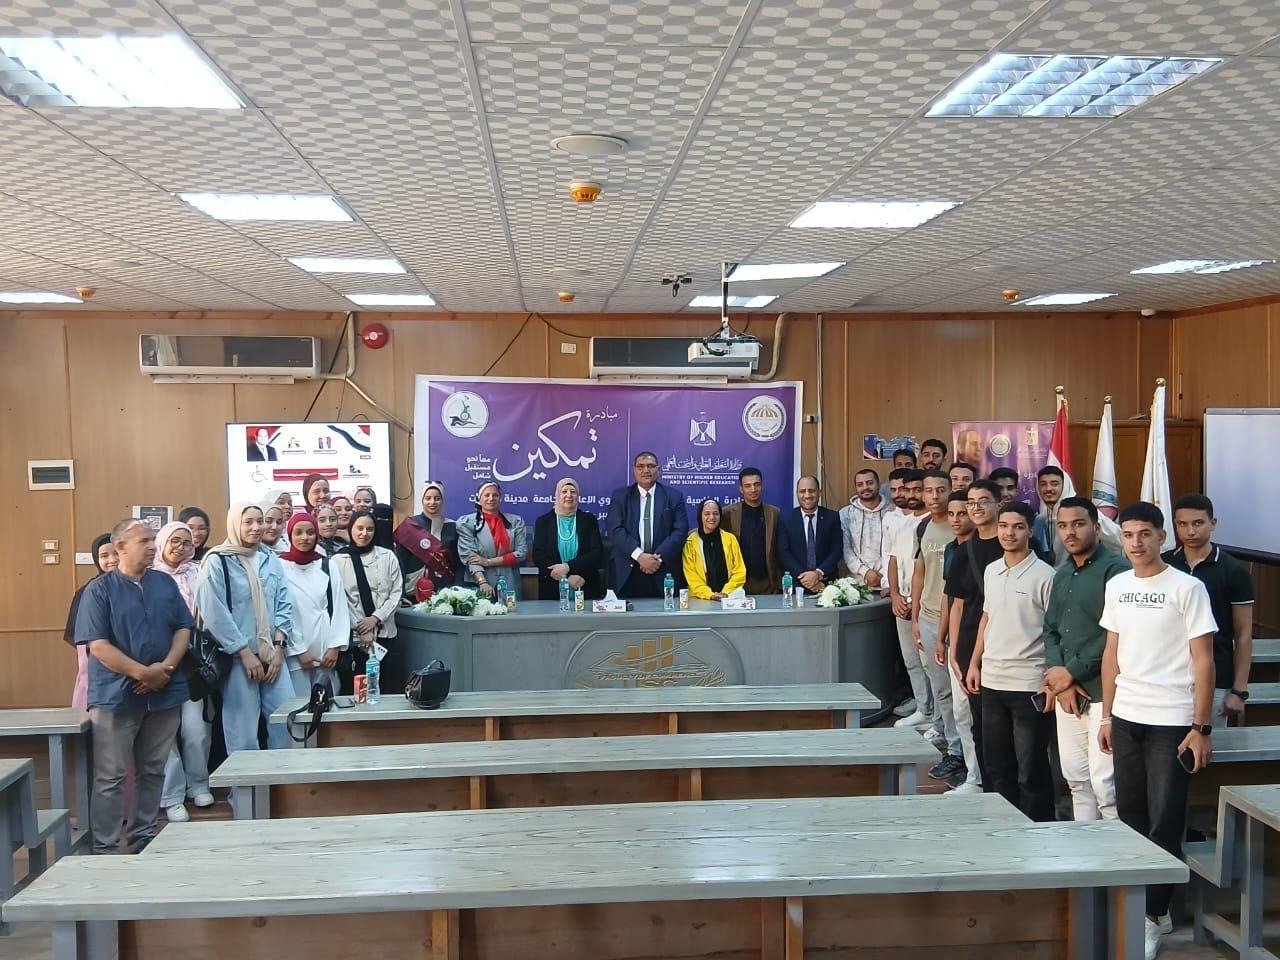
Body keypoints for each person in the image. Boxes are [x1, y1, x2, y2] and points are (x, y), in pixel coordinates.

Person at [1098, 501, 1217, 959]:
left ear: (1161, 537)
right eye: (1128, 534)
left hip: (1172, 720)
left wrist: (1201, 727)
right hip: (1127, 716)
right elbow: (1112, 654)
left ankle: (1153, 916)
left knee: (1164, 819)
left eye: (1145, 533)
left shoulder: (1188, 588)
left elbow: (1204, 661)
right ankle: (1140, 906)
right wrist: (1107, 716)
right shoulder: (1117, 585)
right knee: (1130, 815)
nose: (1136, 542)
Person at [75, 519, 192, 854]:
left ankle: (142, 835)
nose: (153, 546)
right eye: (144, 541)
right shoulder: (99, 590)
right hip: (116, 696)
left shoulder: (164, 584)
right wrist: (143, 674)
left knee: (153, 769)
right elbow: (98, 645)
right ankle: (106, 846)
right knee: (111, 776)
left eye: (153, 540)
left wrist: (165, 669)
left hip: (166, 691)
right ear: (120, 548)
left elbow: (183, 628)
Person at [964, 501, 1056, 821]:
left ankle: (1037, 830)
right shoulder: (992, 570)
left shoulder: (1046, 575)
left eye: (1017, 527)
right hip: (992, 680)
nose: (1009, 533)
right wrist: (974, 663)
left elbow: (1055, 631)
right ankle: (1002, 826)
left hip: (1028, 682)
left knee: (1030, 768)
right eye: (1003, 526)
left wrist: (1049, 680)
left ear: (1030, 531)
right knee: (997, 765)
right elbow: (987, 617)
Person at [1041, 497, 1129, 821]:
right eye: (1063, 526)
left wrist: (1071, 672)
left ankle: (1117, 849)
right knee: (1076, 780)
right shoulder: (1063, 572)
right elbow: (1051, 629)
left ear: (1096, 526)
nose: (1070, 532)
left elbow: (1114, 635)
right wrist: (1060, 679)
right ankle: (1084, 847)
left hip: (1103, 693)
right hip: (1068, 693)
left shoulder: (1117, 571)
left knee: (1106, 786)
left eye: (1078, 524)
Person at [195, 503, 296, 756]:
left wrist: (279, 648)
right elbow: (214, 612)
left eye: (260, 521)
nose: (256, 527)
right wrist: (244, 652)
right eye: (248, 522)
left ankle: (282, 780)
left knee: (287, 721)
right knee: (243, 734)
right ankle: (245, 783)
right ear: (234, 524)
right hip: (238, 659)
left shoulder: (270, 558)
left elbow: (284, 603)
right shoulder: (217, 561)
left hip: (273, 655)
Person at [1164, 493, 1255, 728]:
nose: (1190, 531)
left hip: (1215, 677)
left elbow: (1243, 635)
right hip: (1167, 678)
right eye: (1182, 524)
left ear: (1212, 523)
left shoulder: (1233, 570)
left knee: (1206, 747)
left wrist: (1239, 690)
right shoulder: (1163, 564)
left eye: (1198, 523)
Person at [944, 478, 1004, 792]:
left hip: (1005, 644)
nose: (976, 507)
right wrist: (954, 651)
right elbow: (957, 603)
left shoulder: (1013, 544)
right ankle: (981, 783)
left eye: (983, 501)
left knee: (1002, 726)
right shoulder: (963, 550)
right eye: (971, 502)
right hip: (969, 644)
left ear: (998, 504)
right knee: (975, 721)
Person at [152, 522, 213, 824]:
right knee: (165, 734)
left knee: (196, 729)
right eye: (174, 541)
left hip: (193, 663)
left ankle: (199, 784)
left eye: (186, 542)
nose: (180, 547)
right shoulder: (150, 576)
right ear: (161, 543)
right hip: (160, 662)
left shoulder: (198, 572)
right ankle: (172, 795)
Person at [911, 470, 962, 781]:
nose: (934, 496)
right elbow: (919, 573)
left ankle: (966, 753)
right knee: (941, 690)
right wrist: (915, 617)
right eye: (928, 491)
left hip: (958, 620)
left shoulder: (961, 525)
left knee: (961, 694)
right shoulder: (923, 527)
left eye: (940, 490)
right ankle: (954, 750)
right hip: (929, 619)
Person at [881, 469, 932, 729]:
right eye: (907, 490)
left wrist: (915, 600)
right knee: (911, 661)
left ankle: (937, 716)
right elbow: (892, 561)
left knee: (929, 663)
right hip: (902, 603)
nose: (911, 495)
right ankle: (924, 709)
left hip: (925, 606)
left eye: (917, 490)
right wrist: (895, 596)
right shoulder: (901, 523)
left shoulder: (932, 523)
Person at [332, 511, 404, 693]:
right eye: (360, 528)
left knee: (388, 688)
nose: (364, 533)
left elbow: (396, 593)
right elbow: (339, 601)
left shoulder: (388, 556)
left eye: (369, 529)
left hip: (385, 634)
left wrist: (375, 618)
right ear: (351, 529)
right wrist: (362, 629)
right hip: (356, 641)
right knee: (357, 691)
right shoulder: (338, 560)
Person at [279, 513, 349, 698]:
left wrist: (334, 647)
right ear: (290, 535)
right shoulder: (279, 566)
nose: (305, 538)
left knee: (327, 703)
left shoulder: (327, 565)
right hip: (294, 653)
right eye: (298, 532)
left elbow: (340, 608)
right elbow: (284, 613)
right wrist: (299, 650)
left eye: (310, 532)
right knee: (298, 705)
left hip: (325, 652)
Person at [937, 490, 980, 793]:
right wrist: (943, 639)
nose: (956, 519)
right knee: (961, 712)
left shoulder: (990, 548)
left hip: (986, 643)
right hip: (959, 642)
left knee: (982, 716)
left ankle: (985, 777)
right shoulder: (953, 550)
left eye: (962, 512)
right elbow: (950, 599)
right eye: (951, 514)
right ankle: (973, 775)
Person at [605, 452, 688, 598]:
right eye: (640, 466)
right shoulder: (620, 496)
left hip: (663, 569)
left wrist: (656, 559)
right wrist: (640, 556)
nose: (645, 470)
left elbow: (680, 531)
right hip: (628, 570)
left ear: (658, 469)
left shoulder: (674, 496)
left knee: (666, 612)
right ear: (634, 470)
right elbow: (615, 529)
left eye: (650, 466)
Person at [66, 533, 116, 711]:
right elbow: (76, 632)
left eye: (116, 553)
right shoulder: (88, 590)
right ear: (96, 559)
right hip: (96, 658)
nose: (112, 560)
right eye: (104, 556)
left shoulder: (136, 586)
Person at [531, 478, 604, 600]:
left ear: (578, 496)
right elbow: (538, 556)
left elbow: (596, 553)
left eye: (573, 492)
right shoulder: (544, 522)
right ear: (557, 495)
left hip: (583, 583)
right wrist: (566, 577)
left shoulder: (589, 520)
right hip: (552, 587)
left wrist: (568, 567)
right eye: (564, 491)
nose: (569, 495)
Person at [457, 481, 528, 600]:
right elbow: (470, 557)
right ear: (478, 499)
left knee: (512, 611)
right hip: (480, 584)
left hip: (509, 582)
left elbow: (521, 553)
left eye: (495, 495)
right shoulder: (467, 523)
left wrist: (488, 561)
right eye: (487, 495)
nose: (491, 498)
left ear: (500, 498)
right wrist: (482, 581)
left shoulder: (515, 521)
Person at [393, 481, 460, 599]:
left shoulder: (452, 526)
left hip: (445, 592)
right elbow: (401, 562)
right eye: (428, 498)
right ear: (422, 500)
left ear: (443, 500)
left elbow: (458, 563)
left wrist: (456, 588)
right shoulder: (410, 526)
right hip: (412, 591)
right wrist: (401, 592)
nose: (432, 502)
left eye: (437, 498)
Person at [720, 467, 781, 595]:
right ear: (741, 489)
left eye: (756, 484)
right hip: (737, 584)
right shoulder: (727, 514)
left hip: (768, 583)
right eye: (747, 486)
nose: (753, 489)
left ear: (762, 486)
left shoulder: (774, 513)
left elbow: (780, 550)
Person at [777, 476, 841, 594]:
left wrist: (818, 574)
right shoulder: (785, 519)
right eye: (802, 491)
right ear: (797, 494)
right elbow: (783, 552)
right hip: (795, 585)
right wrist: (806, 578)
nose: (807, 495)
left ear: (819, 492)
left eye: (811, 491)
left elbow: (836, 550)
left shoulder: (832, 517)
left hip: (826, 584)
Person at [683, 499, 747, 600]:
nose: (712, 517)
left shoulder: (730, 539)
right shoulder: (690, 542)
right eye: (707, 514)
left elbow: (740, 571)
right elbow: (692, 577)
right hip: (700, 599)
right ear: (700, 516)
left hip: (729, 597)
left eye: (716, 513)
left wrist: (725, 592)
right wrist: (710, 595)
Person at [839, 468, 890, 590]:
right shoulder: (846, 514)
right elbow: (846, 548)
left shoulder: (893, 512)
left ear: (878, 484)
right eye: (860, 484)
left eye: (870, 483)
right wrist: (865, 572)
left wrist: (882, 575)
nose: (865, 487)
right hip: (856, 584)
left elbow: (896, 549)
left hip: (888, 582)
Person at [1032, 465, 1067, 562]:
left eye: (1054, 484)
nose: (1048, 489)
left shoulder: (1080, 512)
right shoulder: (1039, 519)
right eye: (1043, 484)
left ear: (1064, 486)